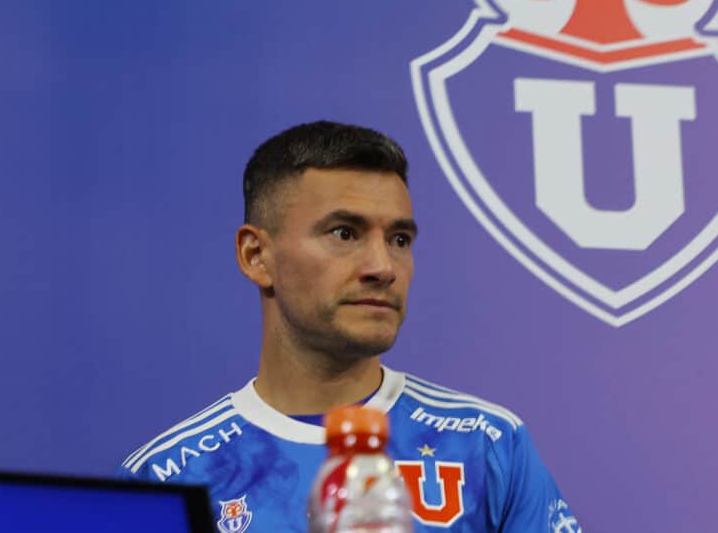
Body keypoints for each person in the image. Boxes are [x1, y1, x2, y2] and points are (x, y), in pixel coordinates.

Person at [116, 121, 580, 533]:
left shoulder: (488, 444)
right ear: (256, 256)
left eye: (399, 239)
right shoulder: (168, 480)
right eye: (344, 233)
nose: (383, 266)